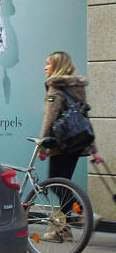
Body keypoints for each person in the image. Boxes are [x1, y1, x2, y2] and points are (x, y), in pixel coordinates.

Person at [37, 51, 102, 241]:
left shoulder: (55, 87)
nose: (45, 67)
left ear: (57, 66)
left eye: (48, 63)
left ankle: (84, 214)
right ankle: (62, 230)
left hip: (60, 144)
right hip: (75, 144)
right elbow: (84, 120)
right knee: (63, 185)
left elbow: (49, 118)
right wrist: (94, 149)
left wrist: (42, 146)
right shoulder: (78, 87)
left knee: (57, 185)